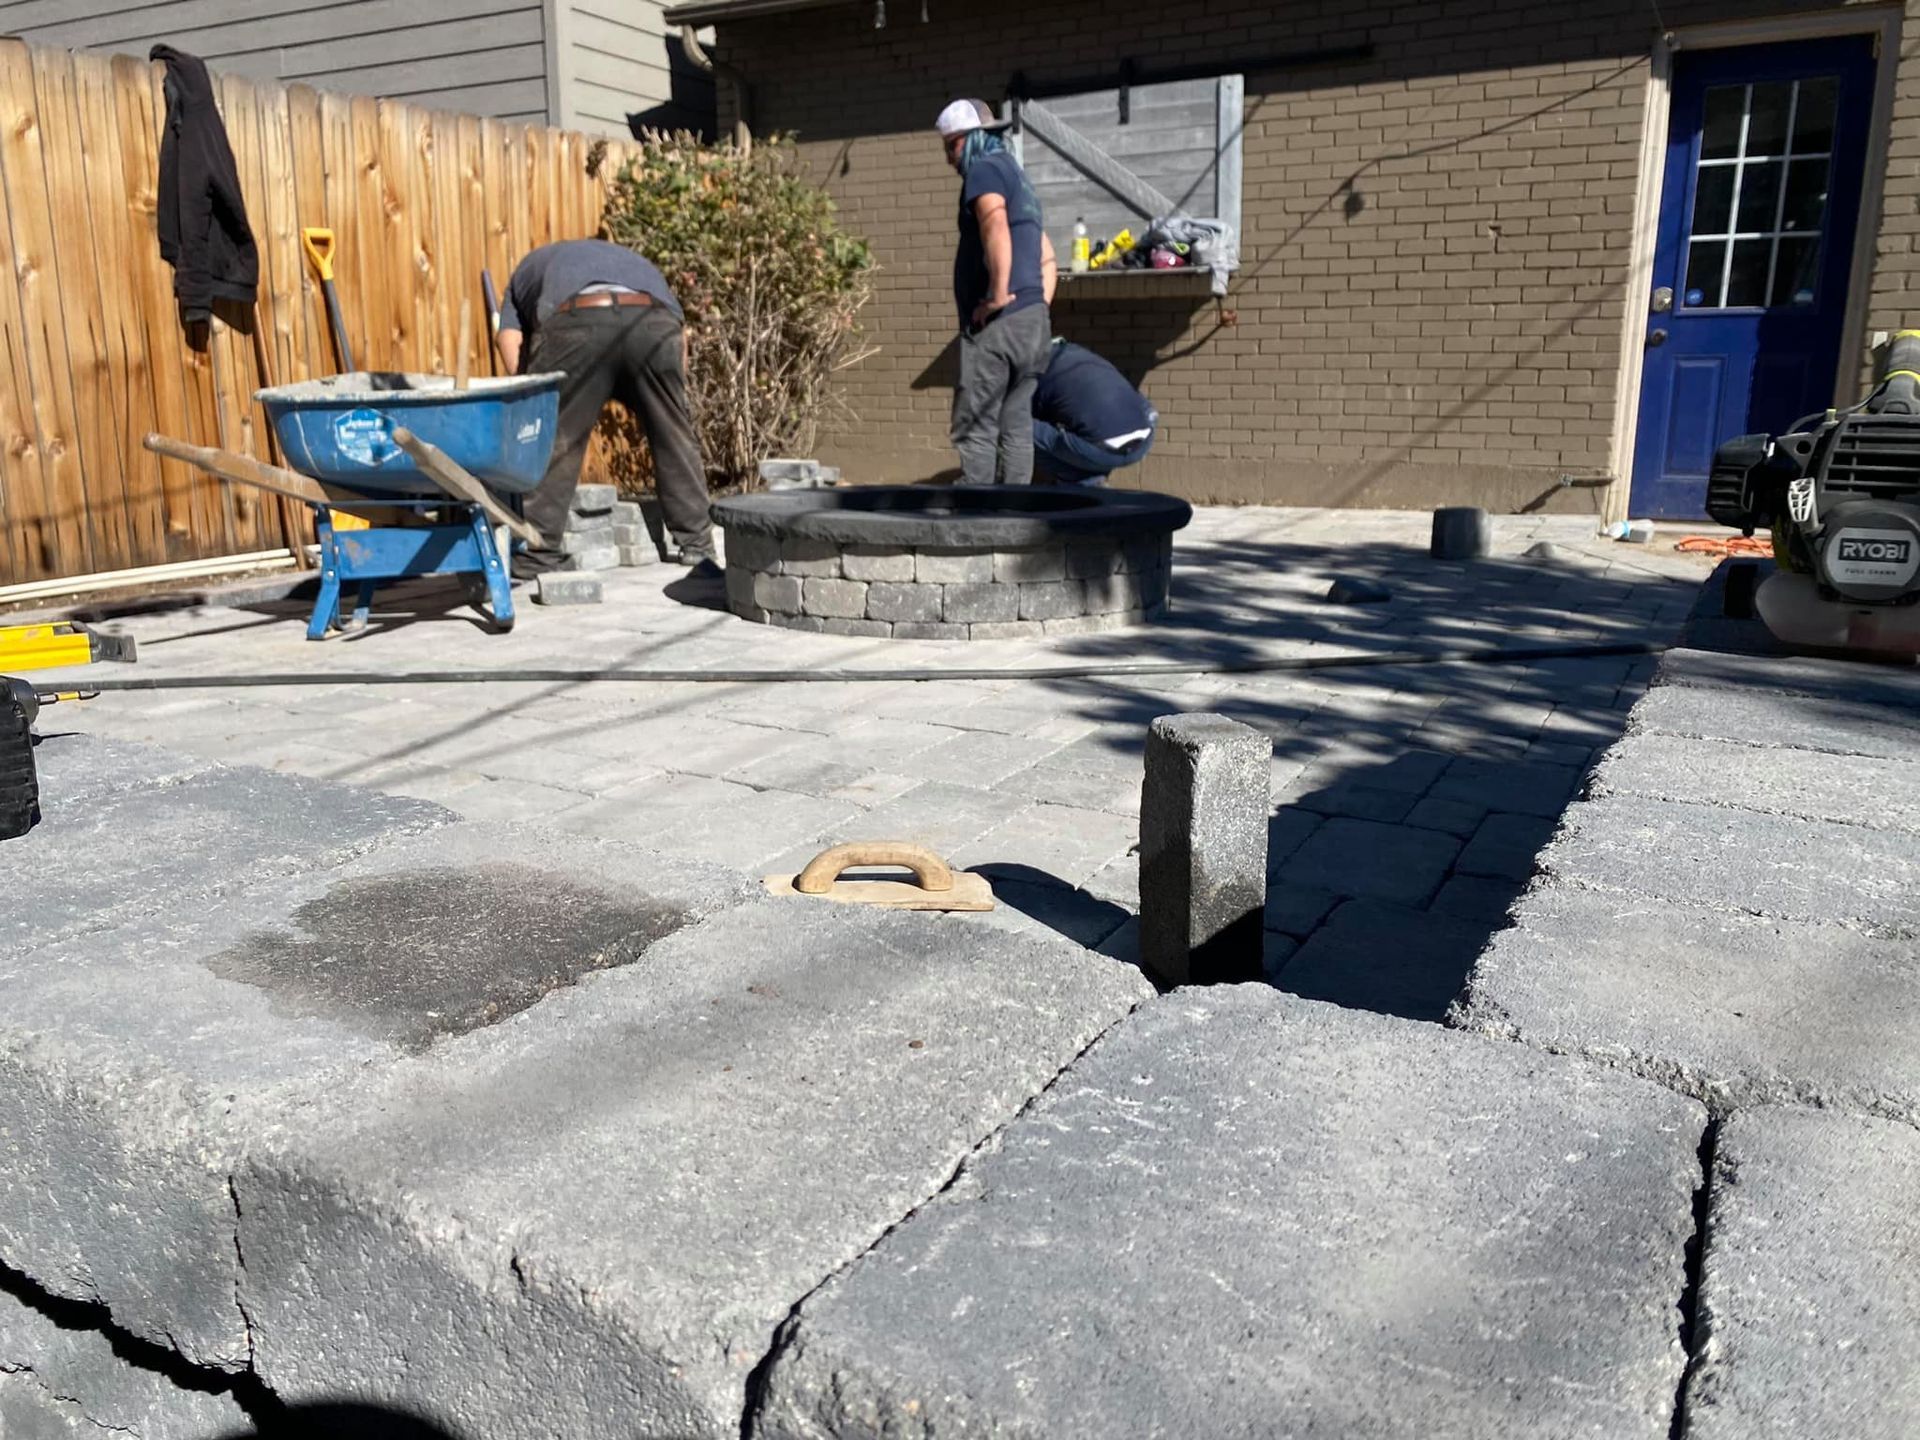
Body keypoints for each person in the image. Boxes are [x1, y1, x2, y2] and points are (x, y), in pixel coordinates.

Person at [496, 238, 715, 574]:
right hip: (655, 323)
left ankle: (539, 555)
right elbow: (681, 339)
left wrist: (536, 404)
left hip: (577, 321)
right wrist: (670, 401)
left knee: (555, 436)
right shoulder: (630, 260)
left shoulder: (524, 274)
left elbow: (508, 340)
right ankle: (697, 545)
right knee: (674, 433)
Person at [936, 98, 1056, 485]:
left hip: (1000, 324)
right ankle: (1014, 518)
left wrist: (998, 296)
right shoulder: (1017, 177)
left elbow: (994, 224)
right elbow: (1047, 256)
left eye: (949, 147)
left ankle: (975, 521)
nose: (949, 161)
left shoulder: (984, 173)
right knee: (1016, 425)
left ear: (965, 141)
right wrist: (1038, 305)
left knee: (977, 424)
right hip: (1032, 322)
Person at [1031, 339, 1158, 484]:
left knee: (1018, 426)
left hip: (1101, 449)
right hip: (1144, 440)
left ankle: (1079, 484)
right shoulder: (1080, 355)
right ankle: (1090, 484)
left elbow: (1023, 416)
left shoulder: (1034, 369)